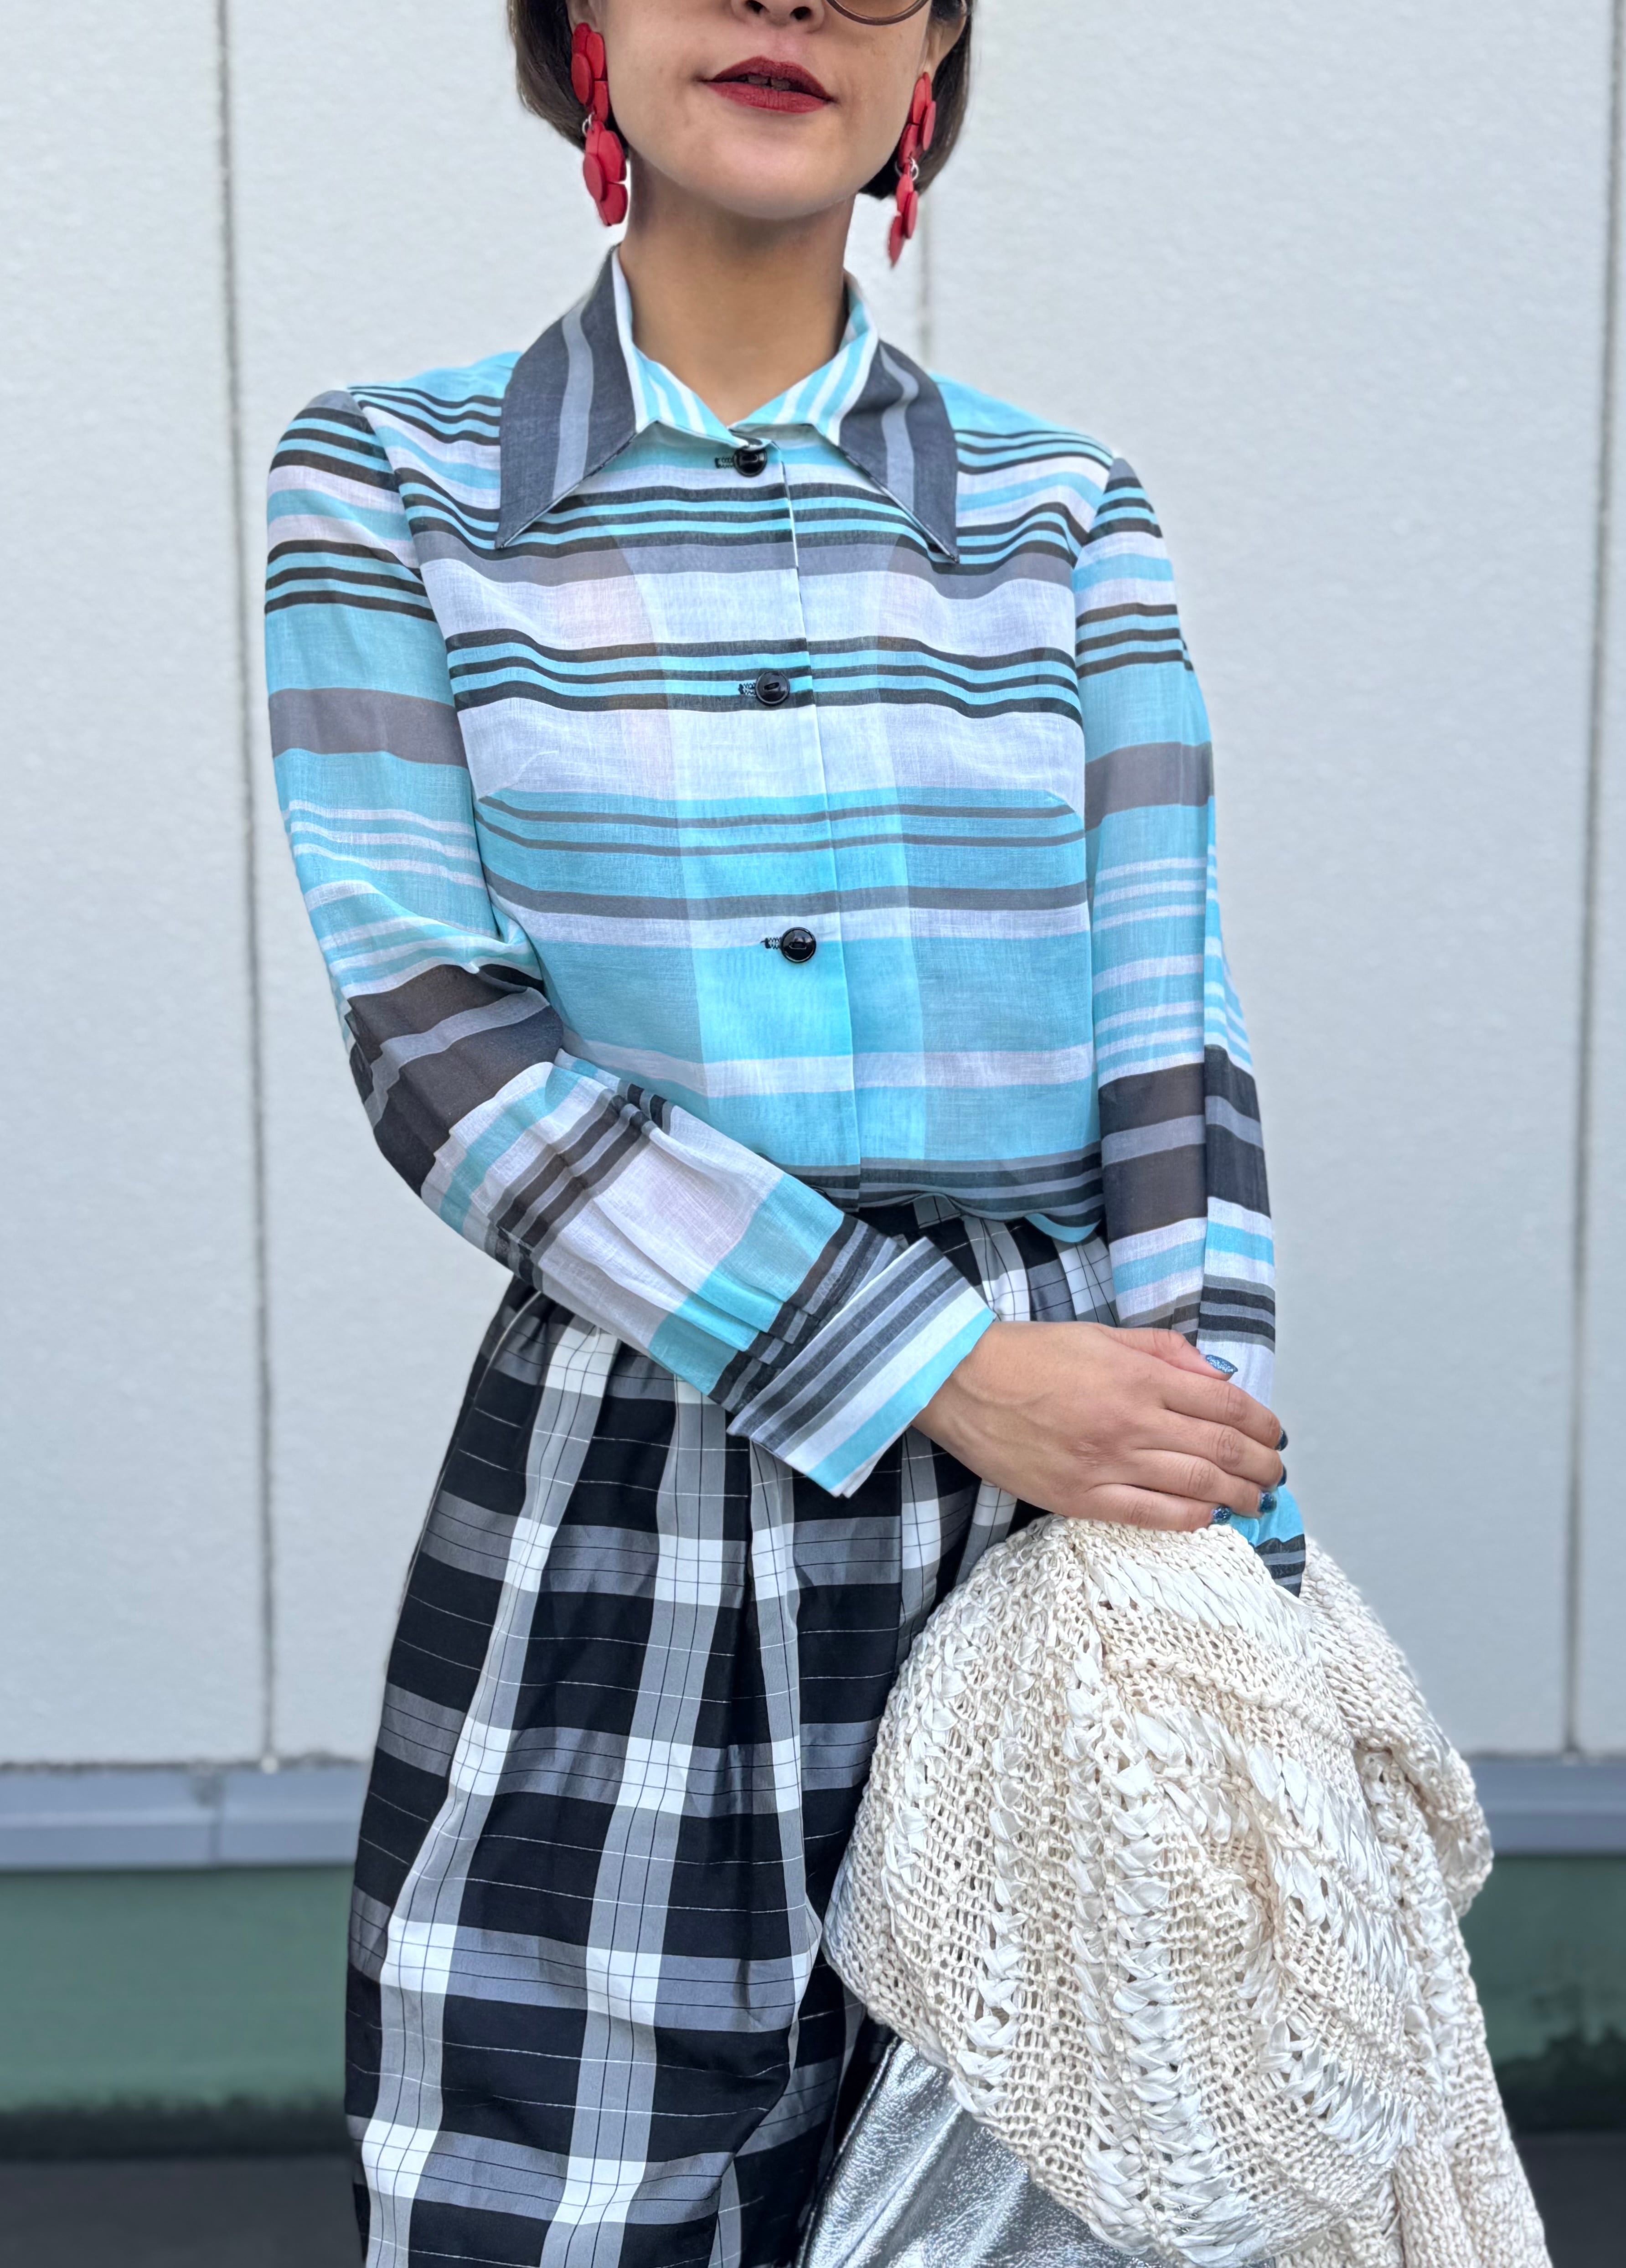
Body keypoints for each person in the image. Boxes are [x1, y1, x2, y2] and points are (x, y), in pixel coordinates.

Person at [265, 2, 1304, 2260]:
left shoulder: (1060, 512)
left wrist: (1220, 1518)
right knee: (552, 2186)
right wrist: (934, 1364)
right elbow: (438, 1045)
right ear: (583, 26)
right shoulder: (391, 481)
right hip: (632, 1464)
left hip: (1065, 1488)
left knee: (1056, 2194)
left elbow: (1171, 1036)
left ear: (934, 49)